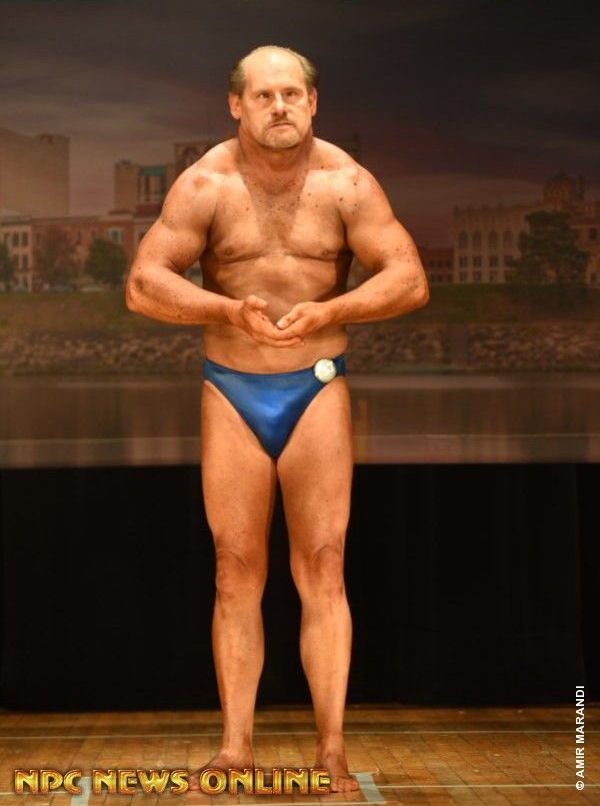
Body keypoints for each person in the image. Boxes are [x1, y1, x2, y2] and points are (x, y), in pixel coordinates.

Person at [125, 45, 429, 792]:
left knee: (323, 566)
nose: (280, 107)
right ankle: (235, 749)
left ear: (314, 102)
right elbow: (143, 284)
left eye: (292, 94)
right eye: (263, 96)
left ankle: (332, 751)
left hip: (315, 388)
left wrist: (330, 310)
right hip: (232, 390)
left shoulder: (347, 183)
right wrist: (228, 309)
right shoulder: (206, 184)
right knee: (235, 572)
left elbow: (409, 278)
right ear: (236, 105)